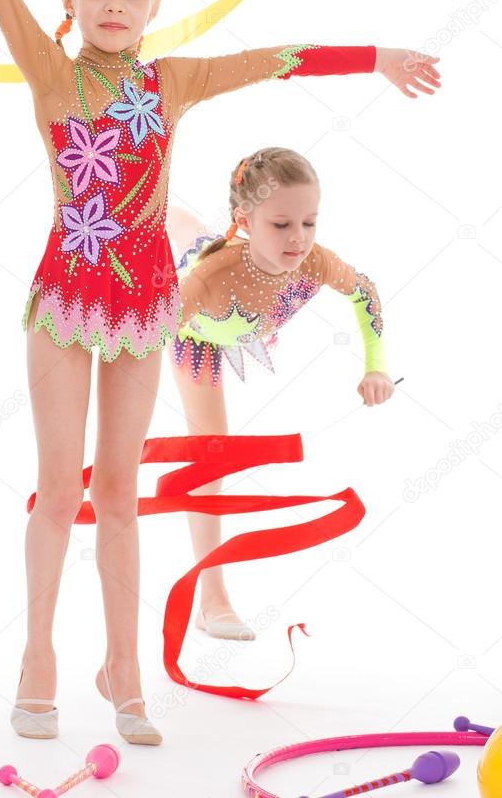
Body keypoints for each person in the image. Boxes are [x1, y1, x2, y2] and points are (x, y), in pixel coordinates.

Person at [0, 0, 440, 746]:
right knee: (59, 489)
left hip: (148, 303)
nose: (116, 4)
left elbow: (276, 60)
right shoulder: (50, 69)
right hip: (69, 298)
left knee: (120, 493)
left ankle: (123, 665)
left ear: (154, 4)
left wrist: (377, 59)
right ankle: (38, 657)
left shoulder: (172, 81)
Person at [167, 147, 394, 641]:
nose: (299, 239)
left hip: (222, 268)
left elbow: (366, 292)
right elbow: (145, 332)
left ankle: (173, 213)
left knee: (193, 232)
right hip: (198, 336)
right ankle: (212, 600)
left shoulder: (314, 261)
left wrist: (375, 367)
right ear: (246, 219)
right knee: (212, 458)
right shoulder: (207, 279)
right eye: (282, 225)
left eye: (310, 222)